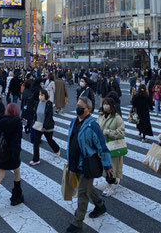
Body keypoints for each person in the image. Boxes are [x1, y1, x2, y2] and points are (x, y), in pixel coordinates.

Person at [65, 97, 113, 233]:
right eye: (77, 105)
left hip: (87, 163)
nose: (78, 108)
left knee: (82, 194)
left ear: (89, 110)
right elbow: (71, 140)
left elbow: (102, 147)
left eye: (81, 106)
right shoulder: (74, 121)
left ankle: (77, 223)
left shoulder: (93, 126)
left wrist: (107, 165)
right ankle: (100, 205)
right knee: (87, 188)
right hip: (74, 162)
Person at [97, 98, 125, 196]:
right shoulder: (101, 116)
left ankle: (110, 187)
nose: (105, 106)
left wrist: (110, 132)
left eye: (107, 104)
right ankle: (113, 180)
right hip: (102, 146)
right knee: (104, 166)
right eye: (104, 103)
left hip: (113, 147)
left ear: (112, 105)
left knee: (111, 167)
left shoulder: (117, 118)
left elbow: (122, 132)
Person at [29, 89, 60, 166]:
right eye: (39, 95)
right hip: (38, 126)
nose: (40, 96)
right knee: (36, 142)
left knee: (49, 140)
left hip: (47, 126)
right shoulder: (37, 103)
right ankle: (36, 159)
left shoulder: (49, 104)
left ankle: (57, 149)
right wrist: (33, 123)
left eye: (42, 95)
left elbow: (49, 116)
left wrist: (44, 127)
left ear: (45, 95)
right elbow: (35, 114)